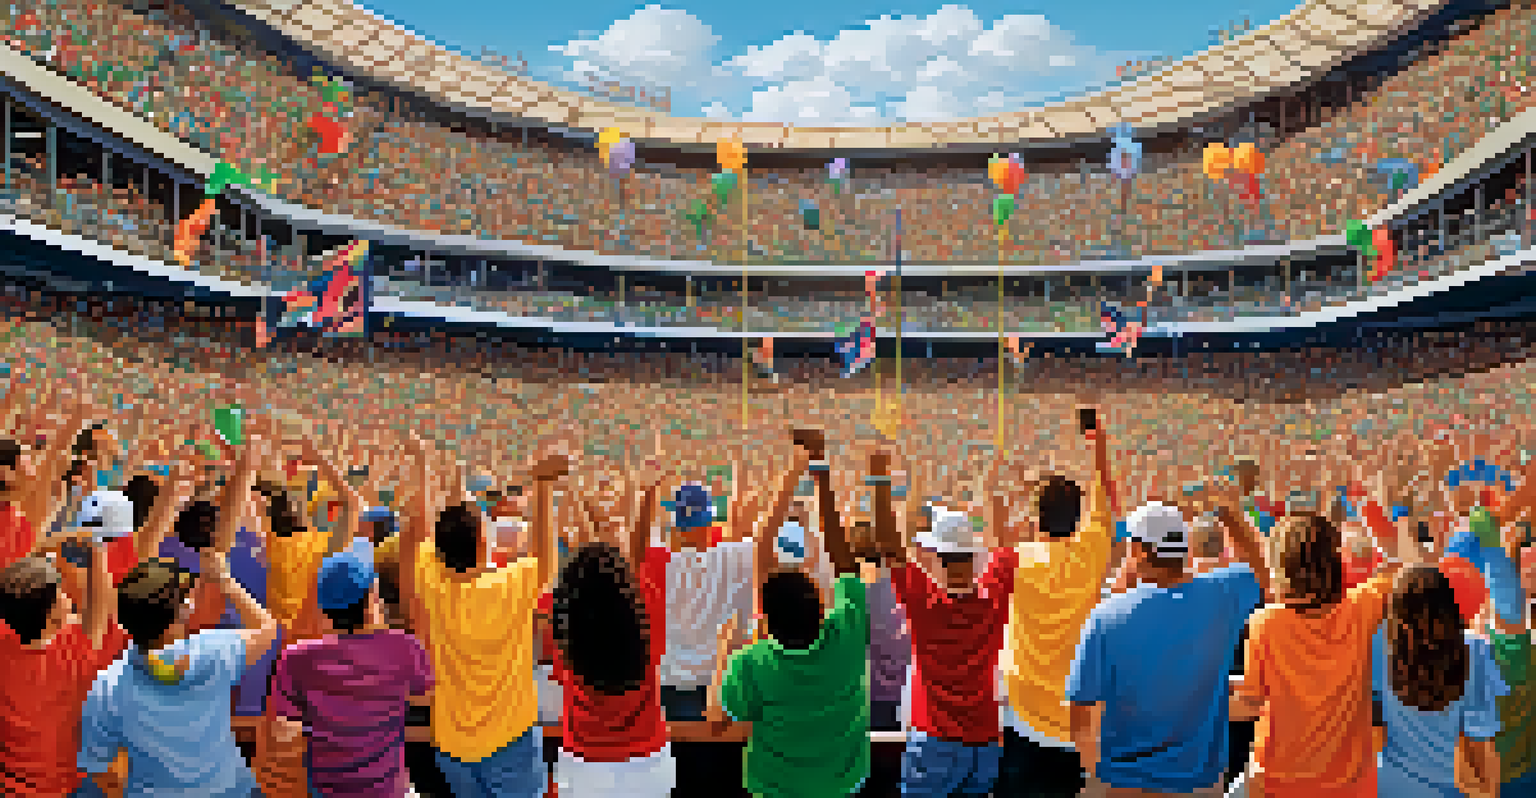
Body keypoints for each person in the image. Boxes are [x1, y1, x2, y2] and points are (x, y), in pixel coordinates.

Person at [78, 436, 277, 797]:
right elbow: (266, 626)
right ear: (182, 611)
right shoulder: (213, 654)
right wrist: (245, 464)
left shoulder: (109, 681)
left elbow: (98, 769)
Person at [1067, 501, 1269, 797]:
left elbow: (1081, 716)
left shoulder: (1105, 616)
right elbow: (1262, 569)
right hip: (1201, 784)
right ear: (1184, 549)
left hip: (1124, 783)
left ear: (1137, 551)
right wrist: (1230, 516)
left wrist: (1097, 777)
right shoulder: (1223, 594)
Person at [400, 433, 563, 798]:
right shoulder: (511, 585)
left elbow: (418, 524)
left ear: (439, 551)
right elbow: (545, 559)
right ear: (481, 544)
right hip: (511, 742)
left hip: (453, 746)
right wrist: (543, 485)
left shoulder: (433, 582)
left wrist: (422, 465)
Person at [712, 428, 871, 798]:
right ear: (820, 603)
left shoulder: (752, 663)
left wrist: (723, 655)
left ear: (765, 620)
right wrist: (820, 474)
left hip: (774, 788)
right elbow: (842, 556)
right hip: (841, 786)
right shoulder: (846, 633)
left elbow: (723, 717)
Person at [1232, 508, 1426, 798]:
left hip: (1282, 784)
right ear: (1335, 562)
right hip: (1352, 785)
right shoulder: (1362, 608)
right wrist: (1371, 508)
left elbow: (1250, 703)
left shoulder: (1265, 624)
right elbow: (1410, 567)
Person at [873, 444, 1017, 798]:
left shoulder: (924, 600)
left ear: (937, 557)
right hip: (985, 741)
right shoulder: (994, 594)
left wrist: (879, 481)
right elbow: (1002, 544)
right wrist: (988, 483)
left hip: (935, 742)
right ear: (972, 555)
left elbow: (889, 545)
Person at [996, 410, 1116, 798]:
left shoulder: (1017, 560)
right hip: (1078, 726)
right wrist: (1096, 443)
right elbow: (1104, 498)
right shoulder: (1093, 552)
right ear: (1078, 518)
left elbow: (1001, 537)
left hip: (1025, 718)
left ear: (1035, 518)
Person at [270, 541, 434, 798]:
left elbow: (284, 727)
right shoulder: (404, 648)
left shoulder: (295, 658)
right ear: (371, 605)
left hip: (326, 791)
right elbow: (425, 696)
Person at [0, 539, 127, 797]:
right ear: (52, 614)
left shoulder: (4, 640)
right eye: (60, 593)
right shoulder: (76, 651)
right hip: (64, 787)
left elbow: (13, 588)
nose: (67, 594)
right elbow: (100, 605)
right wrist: (95, 551)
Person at [1372, 564, 1508, 797]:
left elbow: (1376, 728)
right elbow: (1481, 739)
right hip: (1452, 789)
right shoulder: (1475, 649)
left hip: (1389, 787)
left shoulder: (1379, 645)